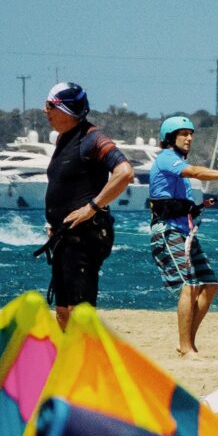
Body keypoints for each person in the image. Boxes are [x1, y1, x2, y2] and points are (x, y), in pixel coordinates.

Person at [147, 116, 218, 356]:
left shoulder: (176, 163)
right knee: (189, 287)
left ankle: (188, 342)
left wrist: (200, 205)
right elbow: (197, 172)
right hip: (167, 231)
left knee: (210, 285)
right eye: (183, 133)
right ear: (170, 138)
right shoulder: (167, 158)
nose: (189, 138)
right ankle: (185, 347)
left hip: (185, 232)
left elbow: (180, 203)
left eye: (191, 134)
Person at [41, 82, 134, 328]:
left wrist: (92, 207)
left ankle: (85, 364)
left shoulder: (93, 138)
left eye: (50, 105)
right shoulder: (64, 139)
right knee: (62, 311)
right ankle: (68, 362)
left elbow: (124, 172)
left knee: (79, 311)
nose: (44, 110)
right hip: (64, 235)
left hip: (86, 234)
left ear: (66, 110)